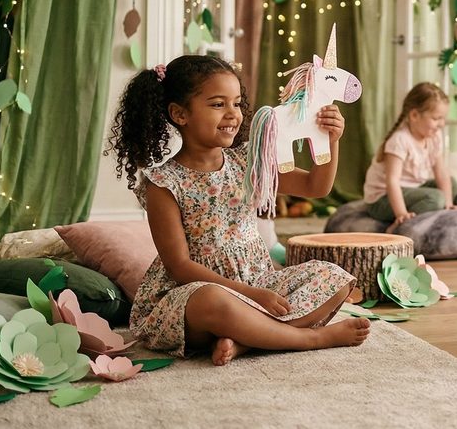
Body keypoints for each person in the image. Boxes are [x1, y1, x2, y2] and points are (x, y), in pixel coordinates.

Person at [107, 55, 369, 366]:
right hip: (197, 295)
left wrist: (332, 139)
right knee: (215, 302)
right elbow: (179, 266)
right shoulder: (163, 183)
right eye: (218, 104)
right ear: (180, 114)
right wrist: (251, 296)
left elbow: (315, 187)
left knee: (333, 277)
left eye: (236, 103)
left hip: (258, 280)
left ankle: (247, 341)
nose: (233, 114)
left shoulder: (246, 160)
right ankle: (308, 338)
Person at [363, 82, 457, 230]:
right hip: (382, 198)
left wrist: (449, 204)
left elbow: (441, 172)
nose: (441, 124)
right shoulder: (400, 140)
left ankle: (441, 211)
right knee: (435, 198)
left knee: (450, 184)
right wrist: (401, 213)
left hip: (410, 189)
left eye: (443, 118)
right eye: (436, 118)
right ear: (414, 115)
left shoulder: (434, 137)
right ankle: (402, 226)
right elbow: (392, 182)